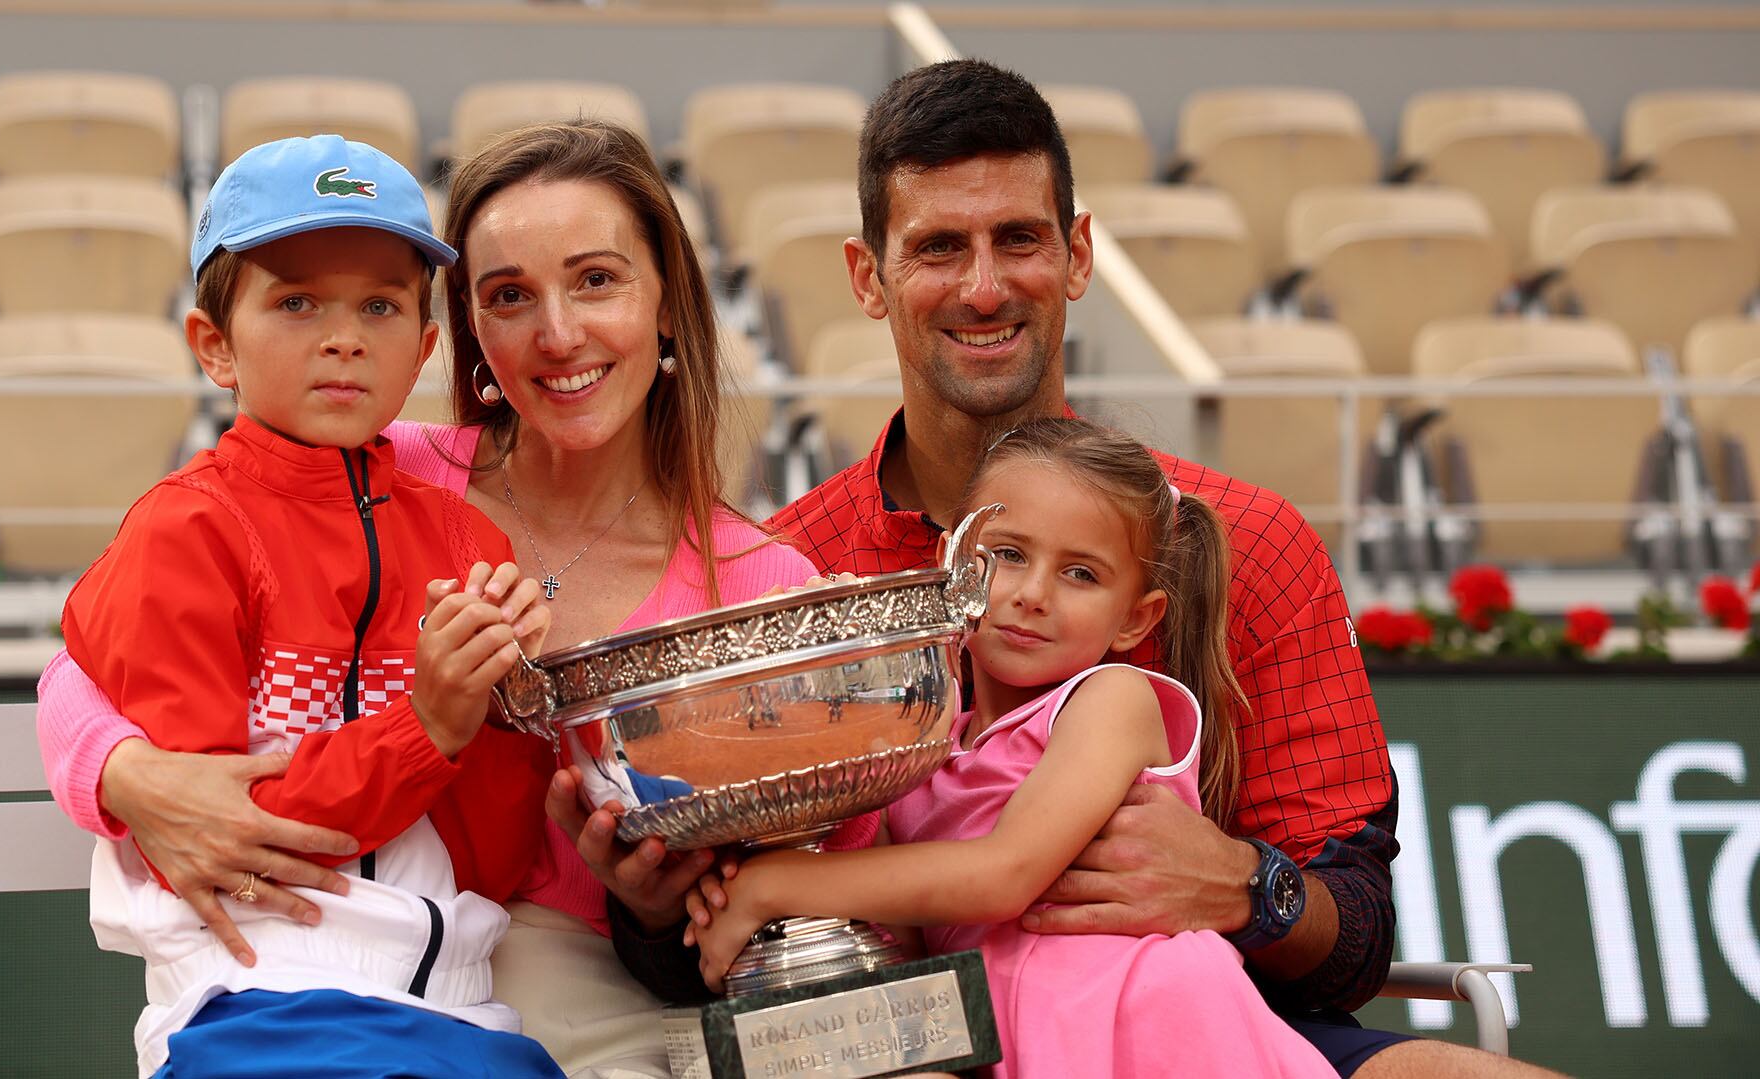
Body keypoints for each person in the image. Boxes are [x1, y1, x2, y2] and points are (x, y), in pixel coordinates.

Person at [589, 60, 1561, 1079]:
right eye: (937, 247)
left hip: (1203, 1025)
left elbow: (1354, 930)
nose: (984, 285)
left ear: (1080, 252)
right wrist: (656, 904)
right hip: (897, 1045)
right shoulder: (784, 567)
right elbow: (706, 936)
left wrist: (1240, 883)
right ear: (866, 278)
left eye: (1019, 239)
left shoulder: (1248, 536)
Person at [37, 120, 822, 1079]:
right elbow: (96, 651)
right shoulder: (369, 461)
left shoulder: (762, 582)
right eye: (509, 295)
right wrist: (120, 771)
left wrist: (647, 897)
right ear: (469, 335)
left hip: (579, 989)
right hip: (310, 983)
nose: (559, 332)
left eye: (597, 279)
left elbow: (794, 897)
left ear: (669, 302)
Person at [61, 133, 565, 1077]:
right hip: (252, 1002)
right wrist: (428, 726)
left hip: (460, 1008)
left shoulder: (470, 544)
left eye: (380, 305)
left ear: (422, 347)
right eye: (296, 302)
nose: (344, 336)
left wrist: (502, 715)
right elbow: (223, 843)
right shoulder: (184, 531)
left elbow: (493, 860)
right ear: (215, 345)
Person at [688, 419, 1336, 1077]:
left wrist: (776, 887)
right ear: (952, 564)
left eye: (1081, 572)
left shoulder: (1113, 700)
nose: (1031, 594)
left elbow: (1005, 875)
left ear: (1135, 619)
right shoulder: (924, 745)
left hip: (1157, 1028)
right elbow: (910, 935)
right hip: (1018, 1043)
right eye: (1007, 555)